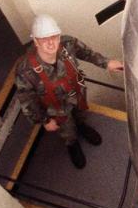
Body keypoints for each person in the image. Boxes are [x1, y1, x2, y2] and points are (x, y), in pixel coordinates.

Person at [14, 14, 124, 169]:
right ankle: (72, 145)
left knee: (80, 115)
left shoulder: (67, 44)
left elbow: (87, 54)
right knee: (67, 130)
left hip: (76, 95)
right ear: (36, 41)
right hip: (56, 109)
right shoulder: (26, 70)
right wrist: (44, 120)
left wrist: (106, 63)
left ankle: (82, 126)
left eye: (54, 36)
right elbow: (27, 100)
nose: (51, 42)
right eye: (45, 39)